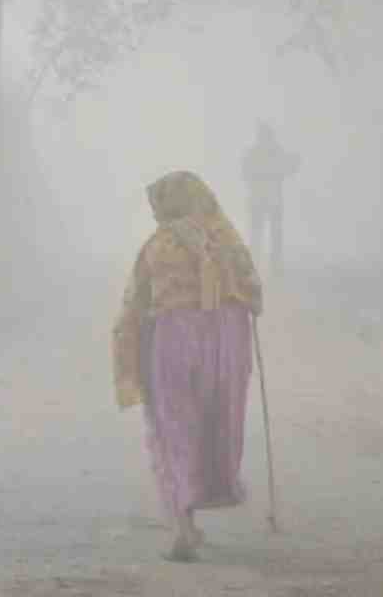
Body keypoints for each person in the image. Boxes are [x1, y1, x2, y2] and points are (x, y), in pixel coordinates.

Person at [112, 171, 262, 562]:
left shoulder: (156, 246)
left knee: (173, 426)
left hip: (173, 341)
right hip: (224, 344)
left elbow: (132, 306)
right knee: (213, 423)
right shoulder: (225, 239)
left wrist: (128, 356)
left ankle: (182, 522)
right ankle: (198, 510)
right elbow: (252, 290)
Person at [242, 123, 299, 276]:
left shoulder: (256, 153)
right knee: (267, 235)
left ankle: (265, 266)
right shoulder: (272, 153)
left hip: (264, 200)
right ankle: (268, 266)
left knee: (264, 234)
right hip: (268, 199)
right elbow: (246, 173)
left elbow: (245, 173)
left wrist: (291, 164)